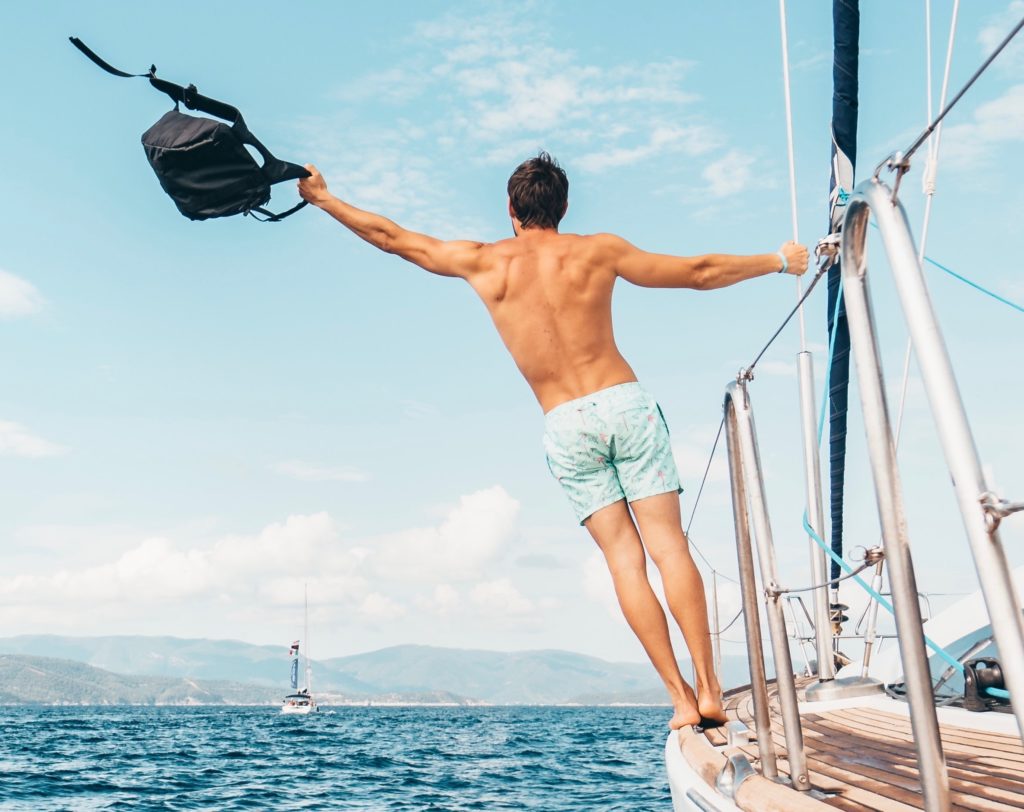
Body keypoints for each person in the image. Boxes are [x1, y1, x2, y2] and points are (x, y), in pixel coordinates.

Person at [298, 152, 808, 729]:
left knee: (625, 561)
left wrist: (324, 199)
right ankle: (712, 688)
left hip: (566, 422)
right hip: (623, 402)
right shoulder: (598, 251)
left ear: (512, 210)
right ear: (563, 208)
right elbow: (697, 272)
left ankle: (681, 701)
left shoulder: (483, 262)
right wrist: (777, 260)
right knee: (669, 547)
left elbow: (392, 238)